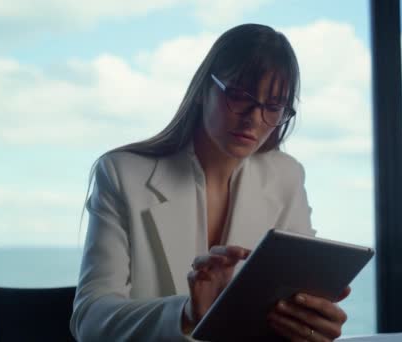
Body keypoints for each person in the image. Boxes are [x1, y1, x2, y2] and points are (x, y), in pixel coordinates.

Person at [70, 23, 351, 341]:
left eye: (272, 107)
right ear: (204, 90)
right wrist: (187, 315)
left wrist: (311, 324)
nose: (254, 118)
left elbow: (290, 313)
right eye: (239, 95)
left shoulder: (287, 176)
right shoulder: (122, 174)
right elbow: (89, 321)